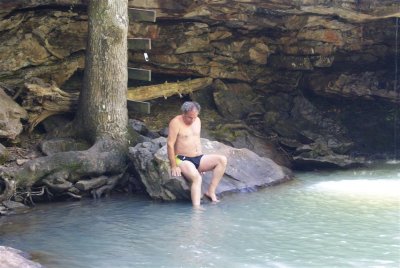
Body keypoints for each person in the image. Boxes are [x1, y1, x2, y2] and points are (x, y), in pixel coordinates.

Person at [167, 101, 227, 208]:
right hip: (182, 159)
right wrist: (173, 166)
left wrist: (202, 164)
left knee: (222, 160)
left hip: (198, 157)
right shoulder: (175, 122)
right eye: (190, 117)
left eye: (195, 117)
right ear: (183, 113)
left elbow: (196, 140)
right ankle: (197, 209)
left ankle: (211, 192)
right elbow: (170, 144)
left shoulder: (197, 120)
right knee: (197, 178)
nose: (193, 120)